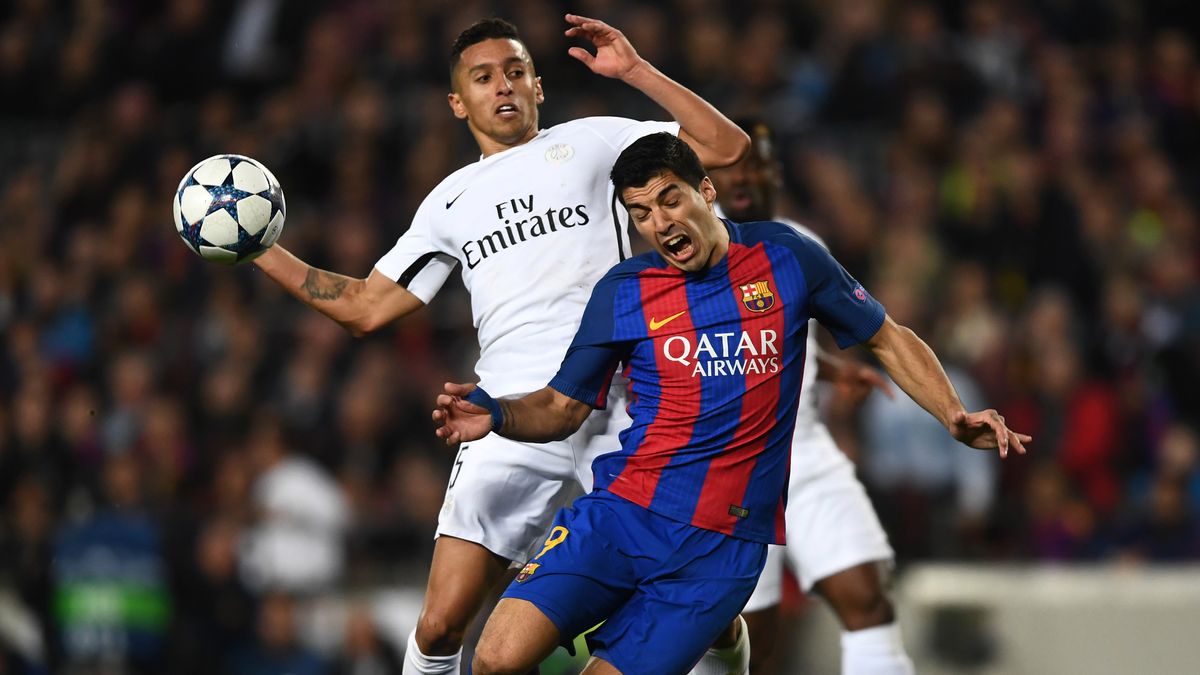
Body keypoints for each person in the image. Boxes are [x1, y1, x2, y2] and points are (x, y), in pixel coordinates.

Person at [250, 15, 750, 675]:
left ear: (538, 86)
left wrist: (634, 71)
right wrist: (259, 248)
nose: (503, 86)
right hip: (508, 413)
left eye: (516, 71)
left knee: (691, 584)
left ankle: (730, 653)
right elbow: (365, 308)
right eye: (483, 78)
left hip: (621, 401)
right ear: (458, 103)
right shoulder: (449, 202)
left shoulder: (594, 141)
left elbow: (725, 146)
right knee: (440, 622)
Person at [432, 132, 1029, 675]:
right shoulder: (624, 292)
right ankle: (724, 638)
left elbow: (886, 337)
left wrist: (953, 415)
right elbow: (562, 407)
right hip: (621, 513)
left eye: (670, 200)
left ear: (707, 190)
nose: (661, 223)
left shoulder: (787, 258)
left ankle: (723, 635)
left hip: (719, 546)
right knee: (494, 660)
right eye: (641, 213)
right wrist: (498, 414)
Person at [709, 119, 914, 674]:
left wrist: (828, 368)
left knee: (869, 601)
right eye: (729, 167)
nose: (744, 177)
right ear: (704, 178)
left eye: (757, 164)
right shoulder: (686, 252)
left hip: (804, 452)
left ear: (775, 173)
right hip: (729, 470)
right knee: (750, 647)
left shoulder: (802, 244)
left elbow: (783, 333)